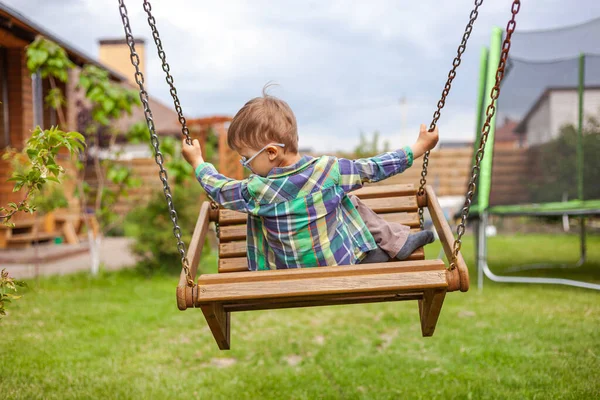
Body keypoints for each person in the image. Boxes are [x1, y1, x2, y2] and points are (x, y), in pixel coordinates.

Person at [182, 90, 436, 271]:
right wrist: (418, 147)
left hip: (285, 274)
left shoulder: (256, 190)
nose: (244, 165)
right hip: (340, 264)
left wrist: (198, 163)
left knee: (337, 197)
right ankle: (395, 242)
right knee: (345, 198)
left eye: (246, 158)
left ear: (271, 152)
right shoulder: (328, 170)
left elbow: (219, 189)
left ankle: (394, 243)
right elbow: (375, 167)